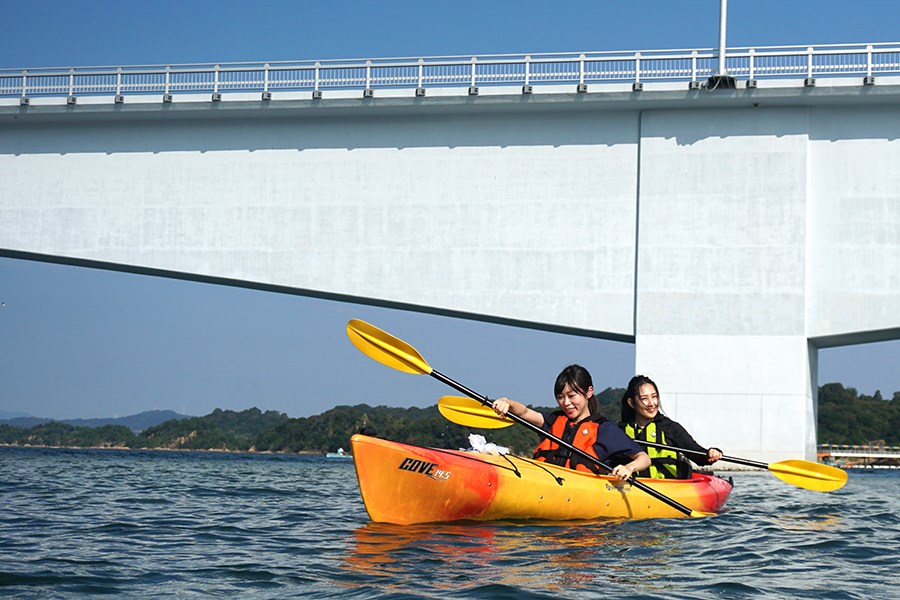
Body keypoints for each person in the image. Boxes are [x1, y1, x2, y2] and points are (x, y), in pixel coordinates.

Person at [492, 364, 650, 481]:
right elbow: (524, 412)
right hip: (545, 483)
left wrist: (629, 468)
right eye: (560, 397)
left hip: (582, 496)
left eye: (572, 396)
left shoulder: (605, 429)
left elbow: (644, 458)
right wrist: (508, 403)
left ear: (589, 392)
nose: (566, 402)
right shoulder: (553, 421)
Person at [620, 375, 723, 479]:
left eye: (654, 397)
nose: (651, 403)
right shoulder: (621, 431)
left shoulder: (670, 428)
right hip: (633, 488)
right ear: (632, 403)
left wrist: (711, 453)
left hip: (670, 487)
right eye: (644, 399)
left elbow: (697, 454)